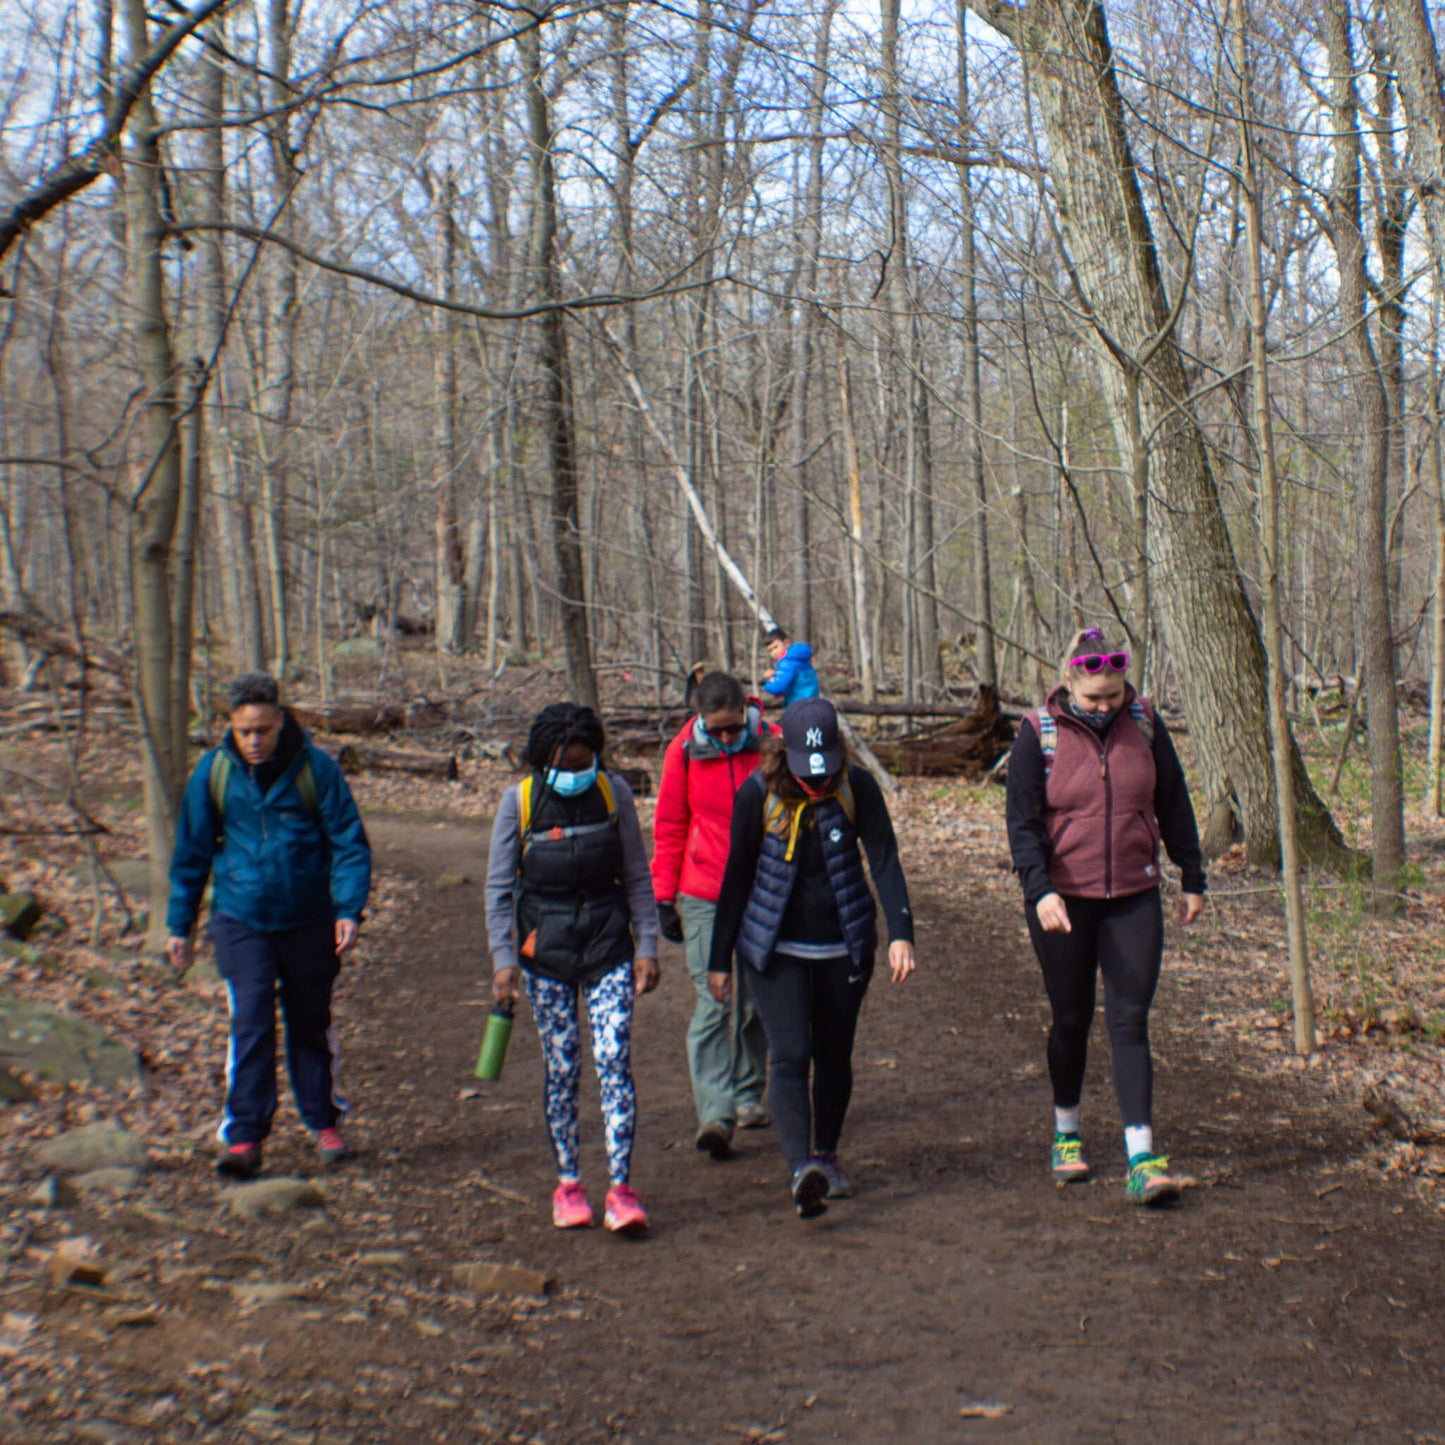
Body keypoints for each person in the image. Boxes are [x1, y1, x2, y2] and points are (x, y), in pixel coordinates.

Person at [1005, 626, 1206, 1207]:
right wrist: (1039, 889)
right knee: (1071, 1020)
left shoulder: (1143, 723)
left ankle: (1142, 1156)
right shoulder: (1036, 734)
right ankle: (1067, 1134)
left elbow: (1172, 800)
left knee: (1130, 1021)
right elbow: (1022, 824)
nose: (1103, 707)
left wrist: (1191, 874)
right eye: (1092, 698)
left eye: (1112, 697)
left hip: (1134, 896)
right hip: (1062, 901)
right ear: (1068, 683)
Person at [708, 698, 915, 1219]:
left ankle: (826, 1154)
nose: (815, 784)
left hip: (843, 943)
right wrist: (717, 958)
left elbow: (885, 860)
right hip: (774, 948)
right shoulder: (756, 794)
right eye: (806, 774)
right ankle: (802, 1168)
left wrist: (901, 933)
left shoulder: (856, 787)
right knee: (792, 1053)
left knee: (833, 1054)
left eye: (823, 774)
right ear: (785, 751)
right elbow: (736, 878)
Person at [166, 671, 372, 1179]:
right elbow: (192, 852)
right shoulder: (212, 773)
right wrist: (180, 924)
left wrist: (348, 908)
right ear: (230, 728)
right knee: (252, 1021)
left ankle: (324, 1121)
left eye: (263, 729)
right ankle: (244, 1137)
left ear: (280, 719)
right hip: (241, 918)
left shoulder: (316, 770)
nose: (254, 740)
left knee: (309, 1022)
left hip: (308, 920)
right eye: (244, 731)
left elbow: (348, 842)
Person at [484, 703, 660, 1235]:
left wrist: (647, 944)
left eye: (586, 762)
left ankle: (621, 1190)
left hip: (609, 947)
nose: (577, 772)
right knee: (562, 1067)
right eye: (567, 763)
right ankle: (569, 1184)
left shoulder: (615, 794)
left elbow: (636, 875)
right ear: (542, 762)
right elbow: (498, 888)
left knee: (613, 1058)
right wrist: (504, 959)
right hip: (547, 954)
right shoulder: (519, 803)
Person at [653, 670, 774, 1160]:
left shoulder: (770, 744)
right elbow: (670, 823)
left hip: (763, 889)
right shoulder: (682, 752)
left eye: (733, 728)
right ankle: (715, 1113)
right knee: (712, 997)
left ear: (746, 712)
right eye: (716, 729)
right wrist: (664, 897)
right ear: (700, 719)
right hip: (704, 890)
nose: (726, 738)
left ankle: (748, 1094)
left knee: (754, 999)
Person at [761, 626, 820, 707]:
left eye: (775, 647)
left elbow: (778, 687)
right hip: (812, 700)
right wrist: (775, 676)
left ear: (786, 643)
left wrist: (767, 685)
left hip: (798, 704)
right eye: (770, 650)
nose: (774, 652)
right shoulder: (799, 658)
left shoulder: (786, 662)